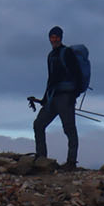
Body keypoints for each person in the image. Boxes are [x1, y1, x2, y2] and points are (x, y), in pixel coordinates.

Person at [33, 26, 79, 170]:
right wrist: (44, 99)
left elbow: (76, 74)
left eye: (56, 36)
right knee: (38, 124)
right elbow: (51, 78)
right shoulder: (51, 55)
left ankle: (71, 162)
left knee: (69, 129)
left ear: (61, 37)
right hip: (53, 97)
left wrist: (73, 95)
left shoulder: (67, 53)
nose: (54, 39)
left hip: (65, 97)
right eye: (52, 37)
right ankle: (41, 159)